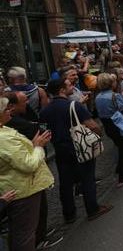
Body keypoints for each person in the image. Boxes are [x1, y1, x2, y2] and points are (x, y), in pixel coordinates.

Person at [39, 78, 112, 224]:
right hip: (79, 146)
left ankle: (69, 214)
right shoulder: (74, 105)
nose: (72, 86)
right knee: (87, 178)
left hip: (60, 149)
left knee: (66, 182)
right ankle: (92, 209)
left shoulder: (45, 110)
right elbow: (92, 125)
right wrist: (97, 136)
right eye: (69, 85)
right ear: (61, 89)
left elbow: (43, 131)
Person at [0, 97, 55, 251]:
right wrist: (38, 147)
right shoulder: (3, 138)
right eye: (5, 110)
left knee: (20, 232)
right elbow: (28, 164)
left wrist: (32, 145)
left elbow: (15, 156)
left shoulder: (4, 129)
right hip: (23, 189)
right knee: (25, 234)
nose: (9, 111)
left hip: (15, 187)